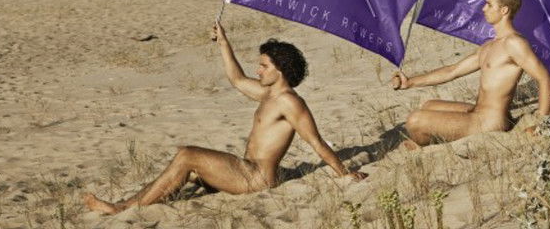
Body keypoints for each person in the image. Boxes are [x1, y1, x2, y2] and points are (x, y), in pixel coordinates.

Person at [83, 25, 359, 215]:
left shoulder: (289, 101)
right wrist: (224, 43)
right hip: (244, 169)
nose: (258, 70)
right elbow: (238, 80)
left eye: (264, 66)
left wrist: (344, 173)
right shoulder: (268, 93)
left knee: (187, 155)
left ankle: (122, 209)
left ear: (281, 70)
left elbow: (316, 142)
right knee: (187, 169)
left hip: (256, 179)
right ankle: (128, 204)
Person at [391, 0, 550, 147]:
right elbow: (452, 71)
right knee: (428, 105)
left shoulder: (514, 43)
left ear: (504, 10)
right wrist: (410, 82)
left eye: (489, 4)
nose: (483, 9)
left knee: (415, 120)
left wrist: (541, 123)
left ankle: (428, 143)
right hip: (478, 112)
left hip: (490, 122)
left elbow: (544, 79)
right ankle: (434, 137)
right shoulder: (489, 46)